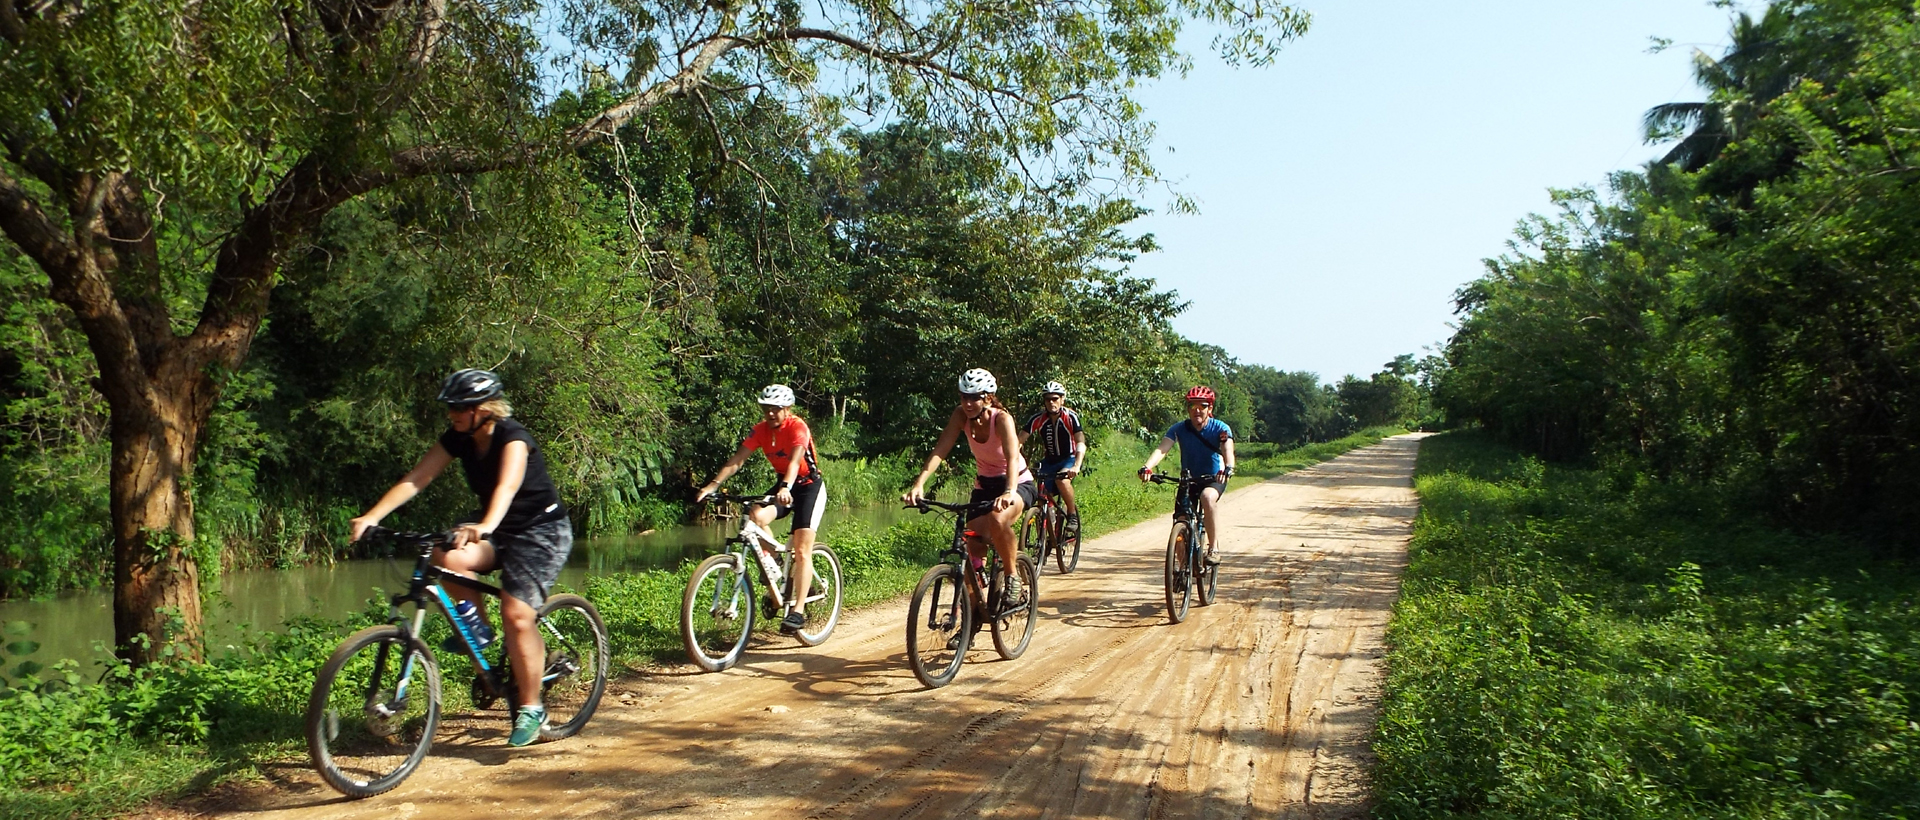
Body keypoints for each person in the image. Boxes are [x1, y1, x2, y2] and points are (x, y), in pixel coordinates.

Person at [350, 369, 573, 747]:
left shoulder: (513, 438)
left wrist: (485, 525)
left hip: (542, 531)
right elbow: (417, 478)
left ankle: (532, 708)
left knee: (517, 615)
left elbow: (507, 487)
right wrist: (373, 516)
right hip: (499, 531)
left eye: (460, 406)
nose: (452, 412)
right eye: (450, 406)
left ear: (485, 409)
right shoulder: (459, 438)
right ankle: (480, 633)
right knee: (444, 554)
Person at [902, 368, 1035, 616]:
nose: (968, 402)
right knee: (971, 545)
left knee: (998, 519)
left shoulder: (1002, 419)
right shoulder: (961, 416)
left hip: (1017, 482)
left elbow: (1012, 458)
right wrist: (919, 483)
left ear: (988, 397)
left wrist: (1008, 491)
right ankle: (969, 623)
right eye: (964, 397)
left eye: (975, 397)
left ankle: (1013, 578)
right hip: (984, 486)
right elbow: (941, 449)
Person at [695, 384, 826, 634]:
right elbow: (737, 460)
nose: (770, 414)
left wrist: (786, 487)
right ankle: (775, 563)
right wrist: (713, 485)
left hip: (808, 486)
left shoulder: (798, 427)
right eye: (766, 409)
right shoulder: (760, 431)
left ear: (787, 409)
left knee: (801, 548)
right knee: (755, 516)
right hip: (783, 486)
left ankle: (797, 611)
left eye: (776, 409)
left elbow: (795, 462)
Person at [1138, 385, 1236, 564]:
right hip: (1189, 479)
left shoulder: (1220, 428)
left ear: (1210, 408)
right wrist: (1147, 467)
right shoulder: (1179, 428)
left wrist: (1228, 467)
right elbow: (1162, 449)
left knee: (1207, 497)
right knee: (1181, 519)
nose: (1197, 410)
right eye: (1192, 406)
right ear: (1188, 408)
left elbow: (1227, 449)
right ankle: (1182, 571)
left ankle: (1213, 548)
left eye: (1202, 406)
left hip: (1213, 478)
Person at [1020, 381, 1088, 540]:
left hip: (1068, 459)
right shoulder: (1038, 418)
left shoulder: (1070, 417)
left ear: (1062, 399)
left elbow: (1080, 441)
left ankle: (1071, 514)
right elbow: (1019, 441)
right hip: (1049, 461)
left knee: (1062, 481)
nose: (1051, 402)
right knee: (1040, 494)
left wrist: (1077, 465)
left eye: (1055, 398)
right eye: (1048, 399)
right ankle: (1045, 532)